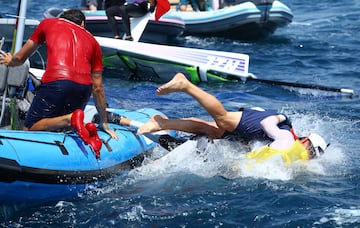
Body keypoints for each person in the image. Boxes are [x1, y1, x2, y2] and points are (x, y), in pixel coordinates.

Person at [138, 73, 328, 163]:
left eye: (314, 153)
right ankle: (185, 84)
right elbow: (267, 124)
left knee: (212, 129)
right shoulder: (288, 138)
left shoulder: (293, 149)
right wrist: (279, 117)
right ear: (305, 140)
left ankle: (161, 123)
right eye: (311, 149)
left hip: (255, 128)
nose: (310, 153)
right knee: (222, 118)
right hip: (260, 122)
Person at [0, 9, 118, 156]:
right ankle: (80, 130)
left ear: (62, 18)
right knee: (64, 131)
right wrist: (104, 122)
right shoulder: (93, 41)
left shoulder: (47, 24)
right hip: (84, 88)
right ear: (82, 24)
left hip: (57, 83)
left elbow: (21, 58)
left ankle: (69, 119)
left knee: (30, 128)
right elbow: (98, 87)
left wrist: (10, 61)